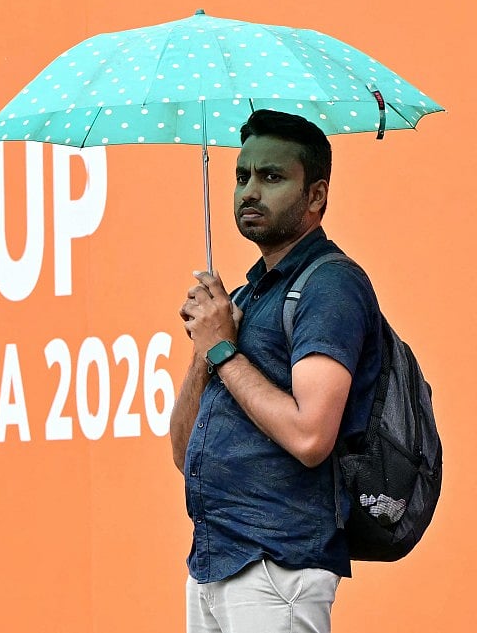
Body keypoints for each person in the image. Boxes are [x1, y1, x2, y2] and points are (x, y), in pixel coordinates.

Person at [169, 109, 383, 633]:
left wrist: (223, 353)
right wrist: (205, 352)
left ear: (316, 196)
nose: (249, 191)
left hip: (277, 567)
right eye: (242, 176)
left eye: (271, 177)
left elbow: (311, 436)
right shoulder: (242, 300)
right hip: (213, 564)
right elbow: (181, 451)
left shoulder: (330, 286)